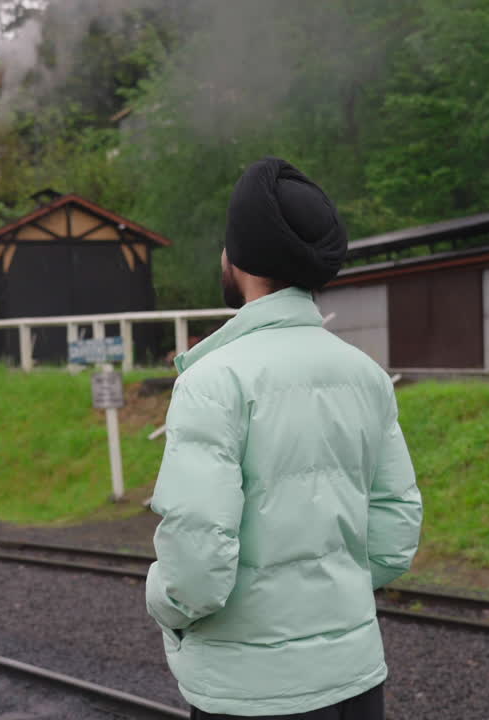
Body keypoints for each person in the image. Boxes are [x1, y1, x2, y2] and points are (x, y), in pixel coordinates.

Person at [145, 157, 423, 719]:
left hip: (254, 695)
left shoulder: (212, 382)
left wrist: (162, 604)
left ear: (239, 257)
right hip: (356, 682)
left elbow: (196, 570)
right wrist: (326, 601)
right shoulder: (366, 374)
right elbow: (394, 535)